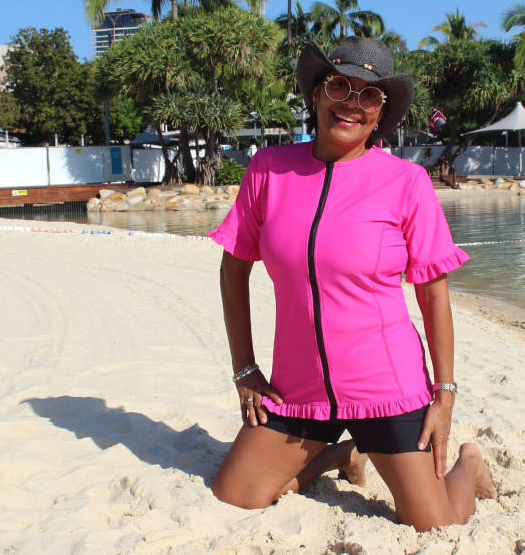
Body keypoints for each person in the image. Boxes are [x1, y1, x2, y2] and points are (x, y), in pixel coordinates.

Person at [208, 37, 494, 531]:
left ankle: (470, 464)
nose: (351, 103)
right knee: (236, 495)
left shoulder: (406, 183)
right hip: (299, 389)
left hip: (387, 387)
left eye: (368, 95)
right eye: (339, 85)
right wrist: (244, 369)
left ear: (381, 112)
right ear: (317, 94)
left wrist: (443, 394)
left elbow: (433, 292)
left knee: (434, 522)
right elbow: (234, 270)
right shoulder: (269, 171)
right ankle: (341, 454)